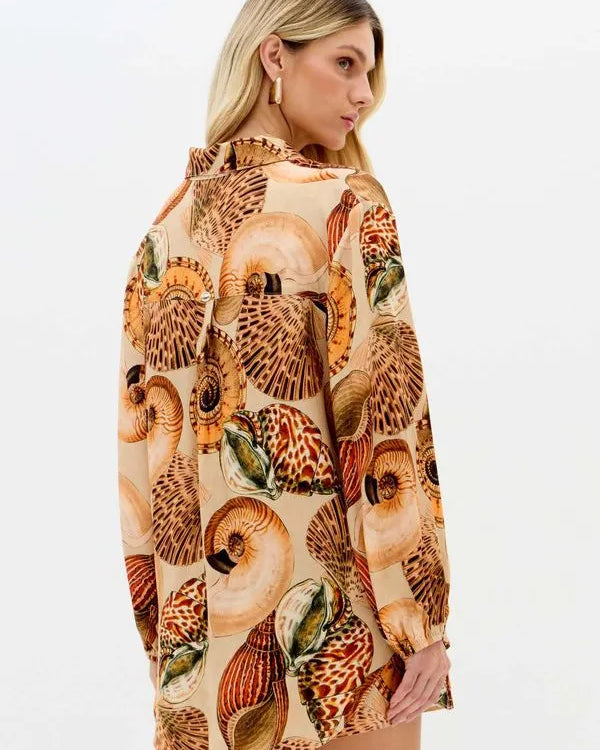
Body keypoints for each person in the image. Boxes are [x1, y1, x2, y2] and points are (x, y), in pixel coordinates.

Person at [116, 2, 453, 749]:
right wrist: (418, 620)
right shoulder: (344, 204)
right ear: (274, 57)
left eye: (369, 72)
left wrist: (172, 654)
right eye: (345, 63)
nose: (363, 94)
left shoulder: (161, 237)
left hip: (203, 657)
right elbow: (384, 424)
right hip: (343, 643)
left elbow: (141, 475)